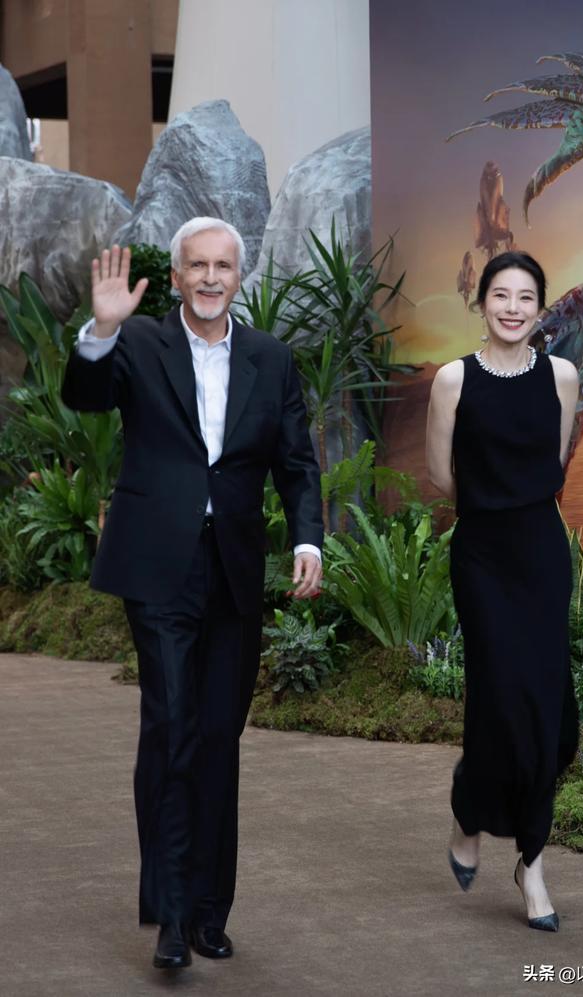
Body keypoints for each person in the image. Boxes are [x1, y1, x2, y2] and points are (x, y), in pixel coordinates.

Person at [62, 217, 323, 969]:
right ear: (176, 277)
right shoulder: (139, 341)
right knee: (172, 724)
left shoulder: (271, 358)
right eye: (197, 266)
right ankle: (172, 916)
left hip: (232, 568)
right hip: (157, 567)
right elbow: (85, 395)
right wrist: (100, 331)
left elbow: (297, 463)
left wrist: (307, 539)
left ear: (240, 277)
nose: (210, 278)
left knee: (216, 736)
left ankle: (211, 911)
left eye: (223, 266)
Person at [425, 251, 579, 931]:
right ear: (481, 301)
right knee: (499, 700)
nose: (513, 308)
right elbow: (441, 475)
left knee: (546, 710)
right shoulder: (453, 379)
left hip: (541, 555)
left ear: (540, 308)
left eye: (525, 298)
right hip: (483, 558)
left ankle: (529, 860)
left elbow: (555, 462)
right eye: (500, 295)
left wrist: (517, 499)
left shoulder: (562, 376)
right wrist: (491, 500)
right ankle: (472, 814)